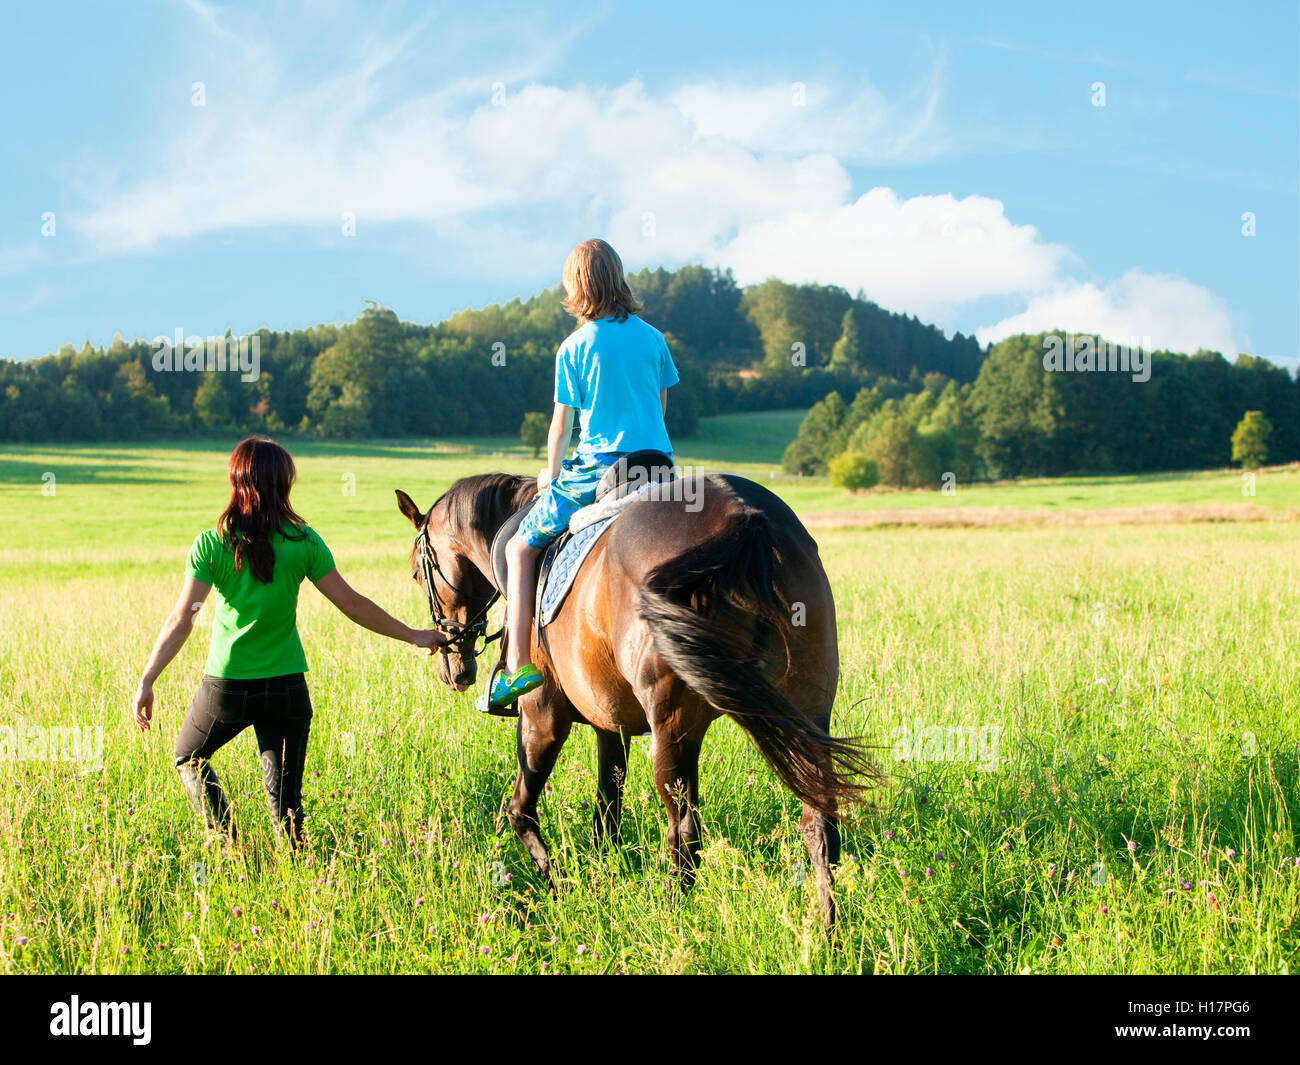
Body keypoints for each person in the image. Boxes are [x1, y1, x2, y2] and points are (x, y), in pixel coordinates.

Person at [131, 436, 446, 846]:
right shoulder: (303, 542)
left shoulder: (212, 544)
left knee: (189, 758)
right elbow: (351, 604)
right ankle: (297, 873)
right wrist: (414, 635)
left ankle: (227, 844)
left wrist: (147, 680)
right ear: (284, 485)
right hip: (287, 688)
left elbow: (181, 620)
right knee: (286, 806)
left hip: (227, 687)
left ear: (236, 483)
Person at [492, 238, 679, 710]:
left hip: (600, 469)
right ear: (618, 276)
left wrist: (549, 476)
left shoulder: (574, 346)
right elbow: (659, 413)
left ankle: (516, 668)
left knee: (519, 547)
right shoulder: (654, 339)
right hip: (659, 467)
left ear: (576, 285)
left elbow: (561, 428)